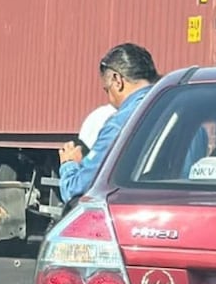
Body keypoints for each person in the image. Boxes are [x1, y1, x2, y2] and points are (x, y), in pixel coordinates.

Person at [59, 43, 160, 203]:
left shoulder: (120, 123)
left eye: (107, 90)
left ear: (117, 80)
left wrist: (69, 164)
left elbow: (76, 189)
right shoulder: (182, 116)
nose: (110, 100)